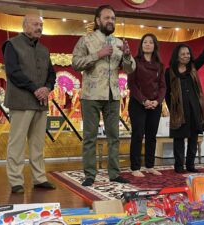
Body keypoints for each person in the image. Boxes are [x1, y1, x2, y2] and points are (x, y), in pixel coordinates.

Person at [72, 5, 136, 186]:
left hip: (113, 96)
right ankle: (90, 174)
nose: (110, 21)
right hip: (91, 95)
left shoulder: (118, 43)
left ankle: (114, 173)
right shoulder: (86, 40)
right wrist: (97, 54)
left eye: (113, 18)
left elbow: (130, 69)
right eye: (107, 18)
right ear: (98, 20)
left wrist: (127, 56)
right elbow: (76, 63)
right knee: (90, 137)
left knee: (114, 137)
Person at [2, 14, 56, 193]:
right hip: (21, 101)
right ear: (25, 26)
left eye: (41, 24)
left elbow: (51, 74)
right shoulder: (12, 44)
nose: (39, 27)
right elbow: (13, 72)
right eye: (35, 24)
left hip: (40, 102)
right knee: (17, 143)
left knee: (37, 144)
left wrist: (47, 88)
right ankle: (16, 181)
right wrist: (35, 89)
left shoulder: (44, 49)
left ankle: (39, 178)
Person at [165, 23, 204, 173]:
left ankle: (190, 165)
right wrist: (172, 108)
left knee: (193, 138)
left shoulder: (193, 67)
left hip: (195, 108)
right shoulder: (169, 72)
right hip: (179, 110)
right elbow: (166, 93)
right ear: (177, 56)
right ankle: (179, 166)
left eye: (188, 54)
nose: (186, 56)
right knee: (179, 139)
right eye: (183, 54)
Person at [127, 33, 165, 177]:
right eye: (145, 42)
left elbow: (163, 86)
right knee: (138, 134)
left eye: (150, 42)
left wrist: (157, 101)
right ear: (141, 46)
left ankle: (150, 166)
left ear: (155, 45)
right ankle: (135, 168)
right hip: (138, 103)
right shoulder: (135, 61)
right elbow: (132, 84)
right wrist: (144, 101)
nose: (147, 44)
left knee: (151, 135)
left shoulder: (160, 65)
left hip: (155, 105)